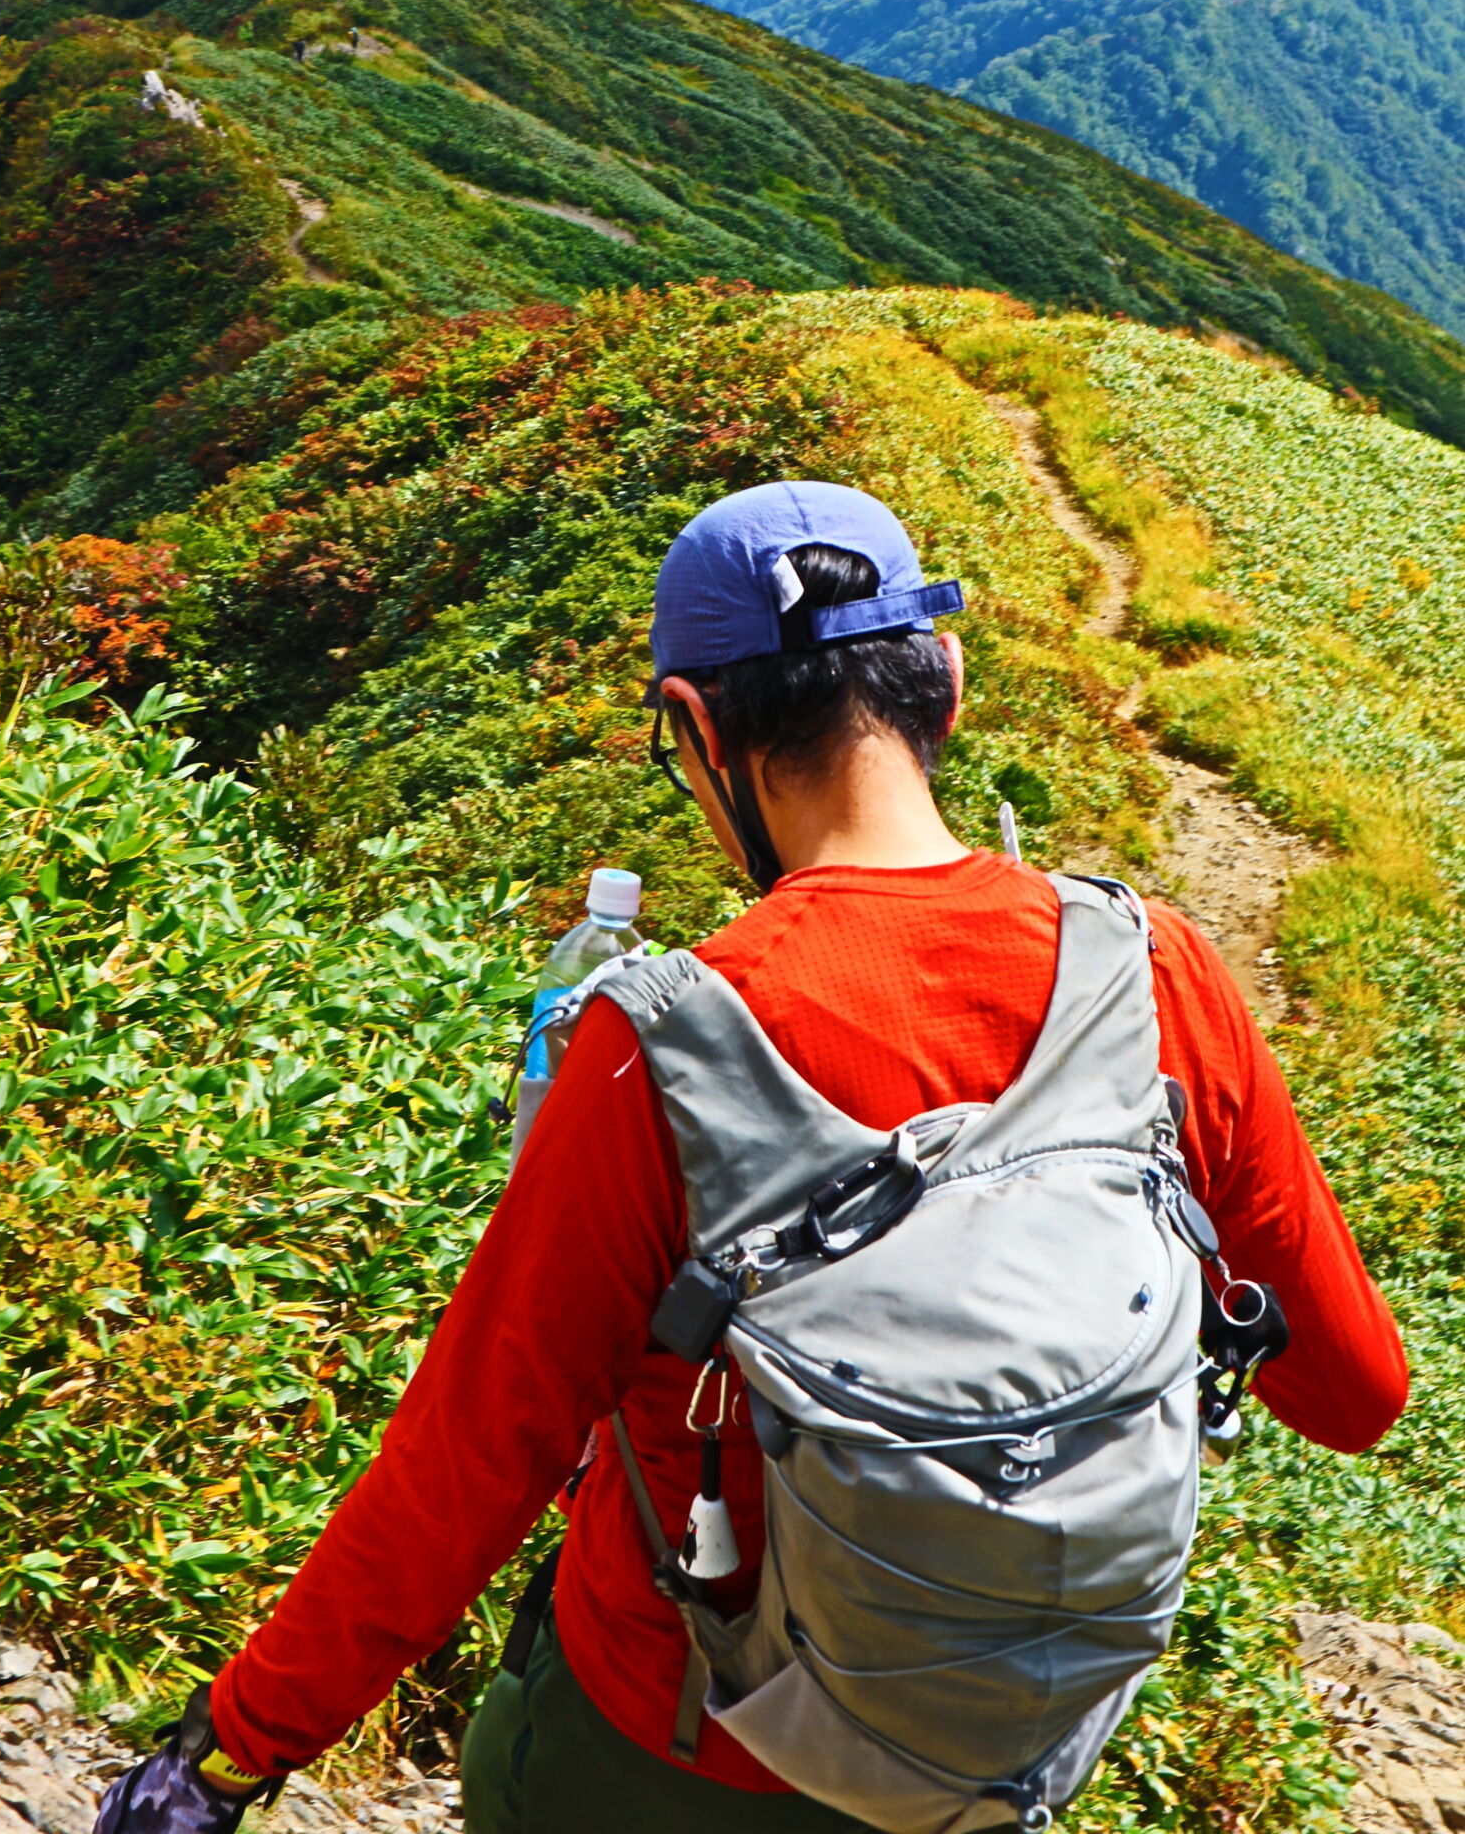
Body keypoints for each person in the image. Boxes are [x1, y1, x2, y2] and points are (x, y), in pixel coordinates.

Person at [94, 482, 1406, 1834]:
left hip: (676, 1755)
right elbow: (1355, 1394)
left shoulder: (667, 1043)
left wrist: (233, 1750)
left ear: (697, 725)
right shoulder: (1155, 971)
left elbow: (472, 1458)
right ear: (947, 685)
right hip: (1001, 1760)